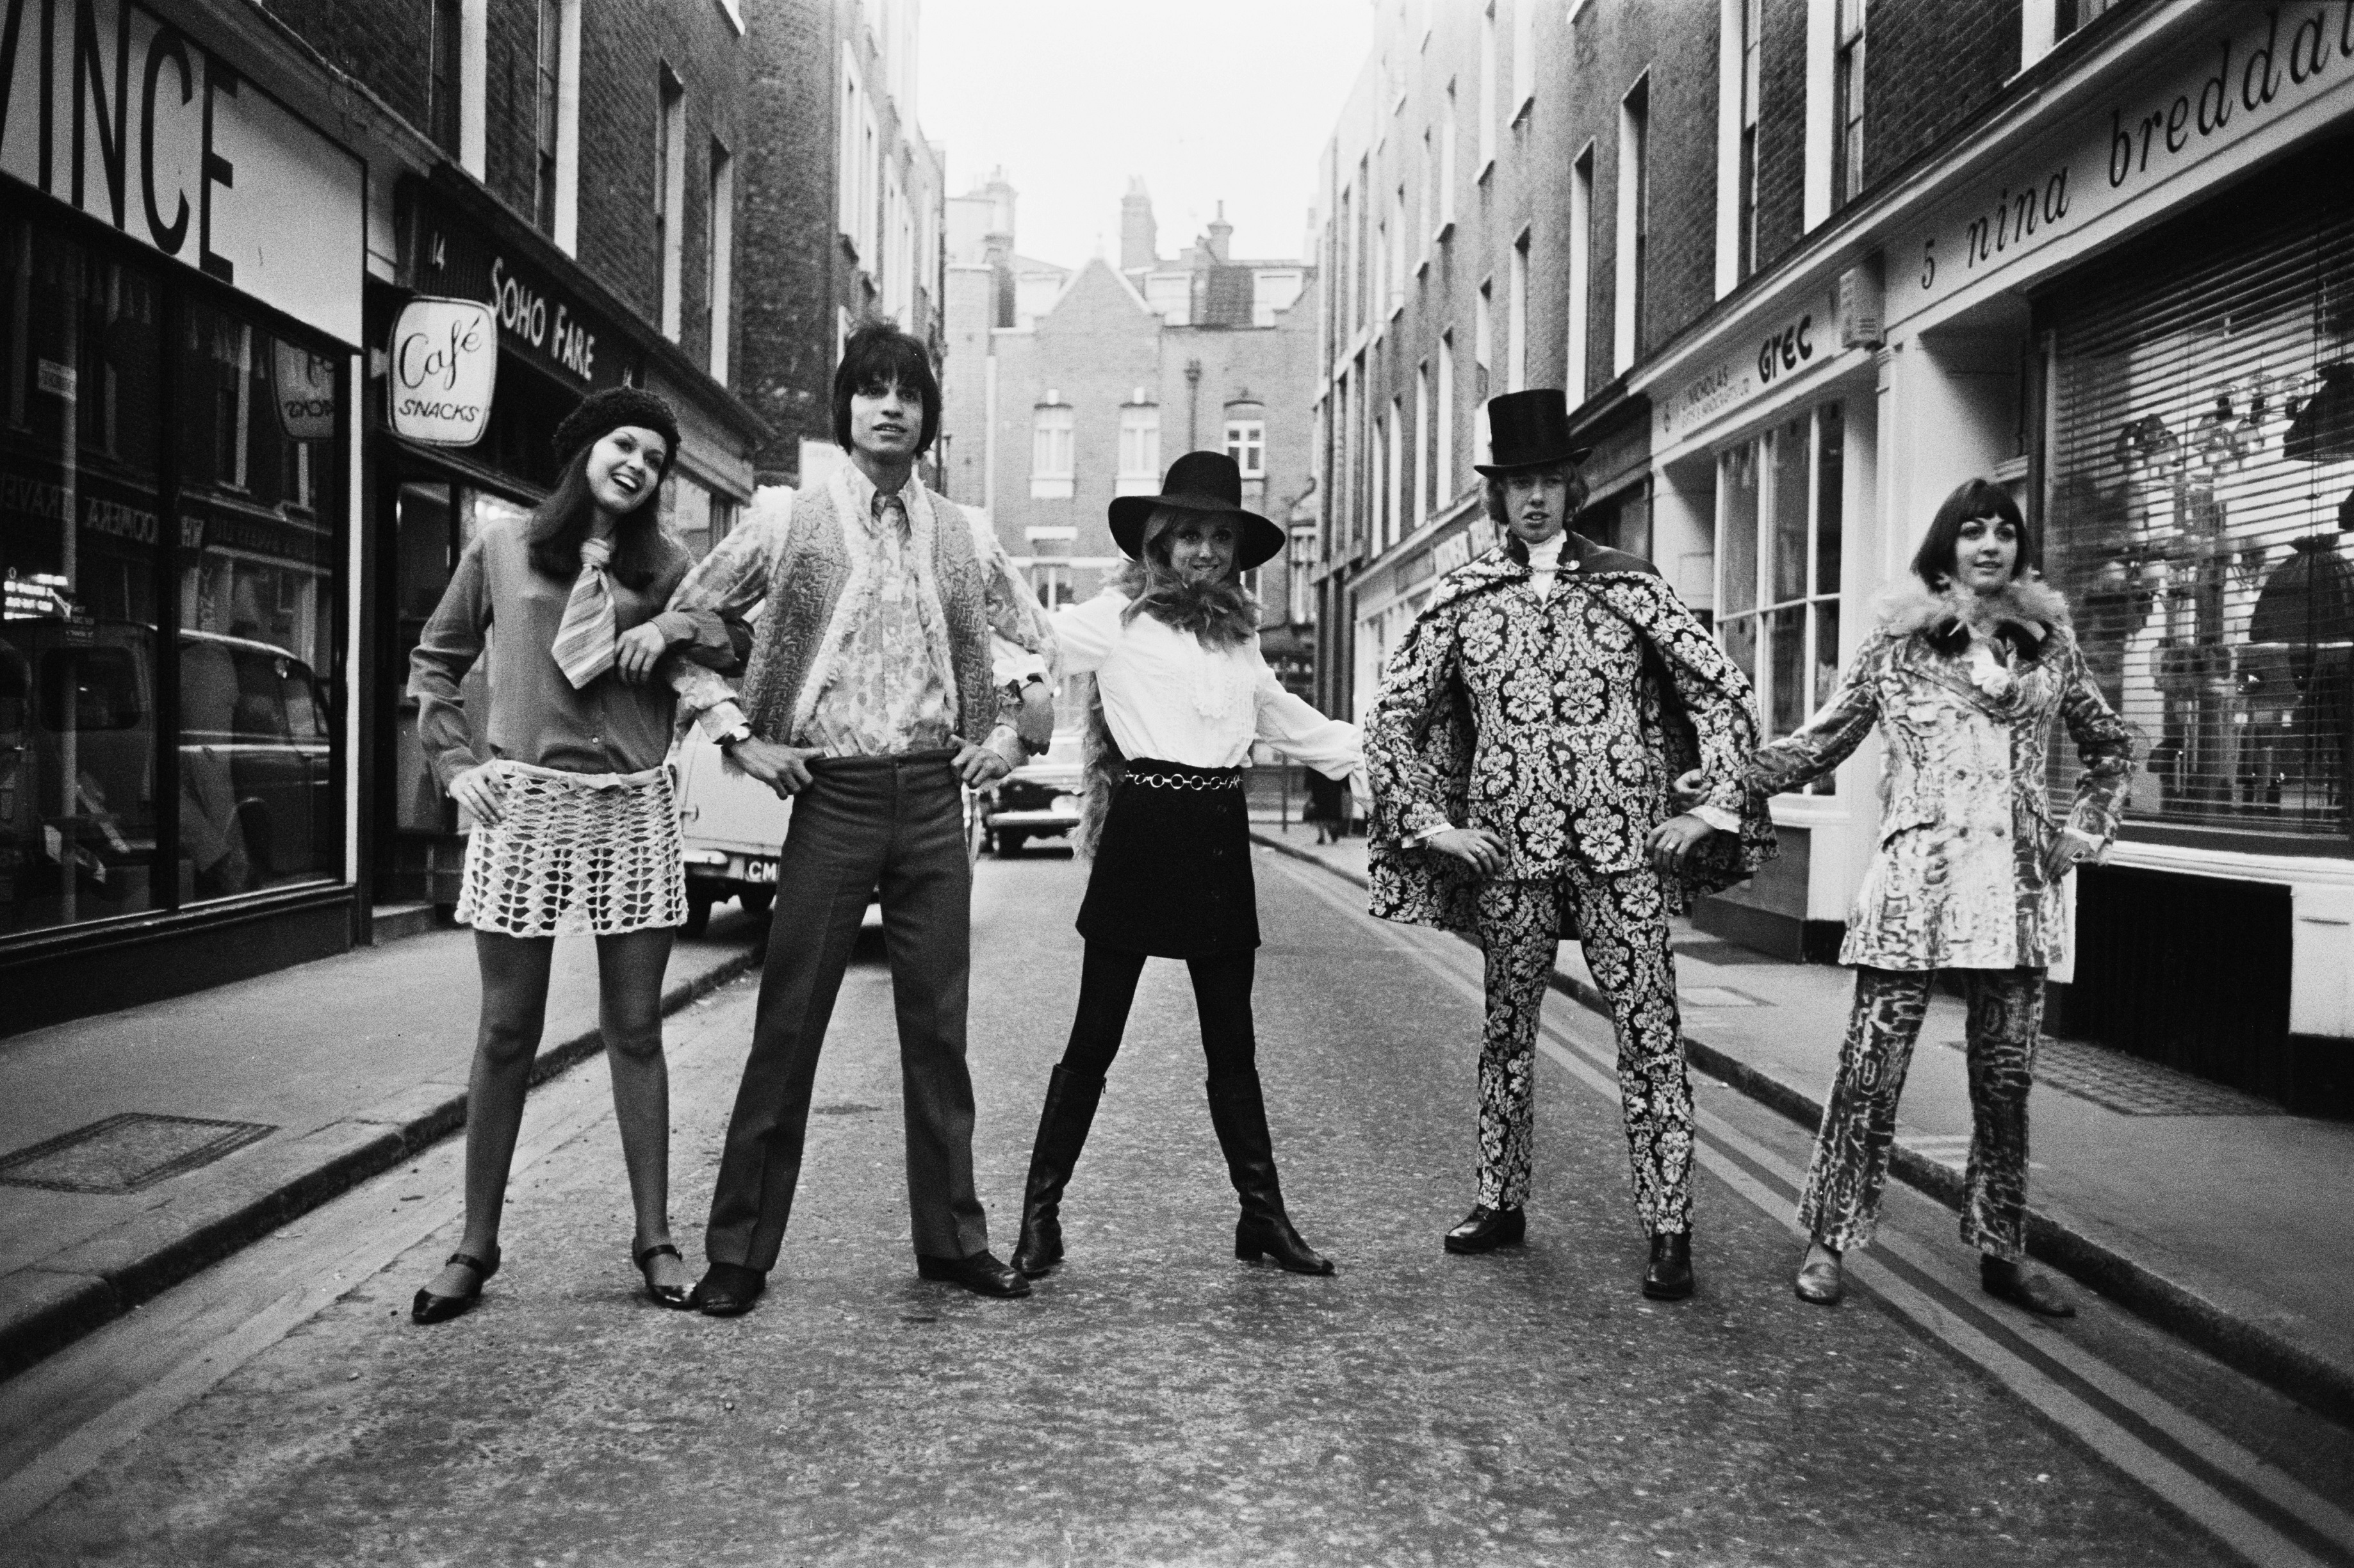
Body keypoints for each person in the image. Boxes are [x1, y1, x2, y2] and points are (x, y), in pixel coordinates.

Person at [662, 323, 1059, 1315]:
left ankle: (954, 1241)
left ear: (928, 417)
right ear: (845, 407)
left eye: (908, 394)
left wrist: (1011, 738)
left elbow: (1039, 647)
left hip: (932, 796)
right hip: (831, 797)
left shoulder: (963, 532)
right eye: (872, 390)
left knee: (939, 1031)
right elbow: (683, 628)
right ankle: (739, 1253)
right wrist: (735, 735)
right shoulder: (787, 518)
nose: (890, 407)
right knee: (788, 1025)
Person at [1364, 389, 1774, 1300]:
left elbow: (1723, 692)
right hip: (1509, 854)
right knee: (1507, 1032)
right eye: (1518, 484)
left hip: (1624, 853)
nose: (1535, 498)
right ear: (1497, 496)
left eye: (1549, 480)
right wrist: (1437, 825)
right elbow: (1392, 716)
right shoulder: (1464, 595)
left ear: (1572, 486)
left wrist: (1707, 810)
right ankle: (1498, 1199)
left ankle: (1669, 1226)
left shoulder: (1630, 584)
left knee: (1651, 1035)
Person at [1746, 478, 2135, 1316]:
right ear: (1946, 547)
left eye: (2003, 531)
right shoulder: (1899, 644)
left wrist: (2089, 827)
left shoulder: (2050, 645)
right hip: (1914, 892)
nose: (1989, 544)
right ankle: (1829, 1241)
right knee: (1869, 1076)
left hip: (2015, 898)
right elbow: (1822, 741)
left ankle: (2003, 1250)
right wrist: (1723, 786)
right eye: (1972, 532)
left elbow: (2109, 748)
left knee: (2005, 1083)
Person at [408, 386, 737, 1323]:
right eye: (624, 444)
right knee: (507, 1031)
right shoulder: (505, 545)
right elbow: (435, 659)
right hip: (528, 807)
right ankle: (475, 1245)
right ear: (585, 447)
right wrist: (456, 763)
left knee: (636, 1029)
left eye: (655, 460)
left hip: (634, 811)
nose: (637, 465)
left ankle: (655, 1241)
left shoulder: (672, 566)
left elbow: (733, 641)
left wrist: (671, 625)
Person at [1008, 451, 1359, 1280]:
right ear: (1160, 543)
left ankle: (1263, 1217)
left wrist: (1389, 754)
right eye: (1189, 534)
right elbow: (1034, 640)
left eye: (1219, 536)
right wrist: (1017, 700)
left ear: (1236, 550)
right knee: (1095, 1036)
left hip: (1215, 833)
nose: (1205, 550)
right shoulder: (1118, 617)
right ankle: (1039, 1217)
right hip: (1144, 828)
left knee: (1231, 1042)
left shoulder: (1239, 642)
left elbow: (1296, 724)